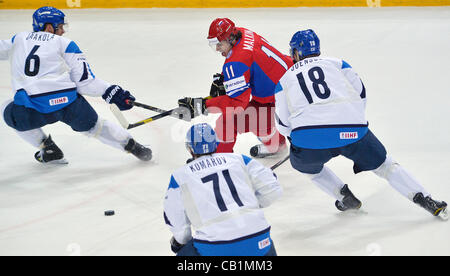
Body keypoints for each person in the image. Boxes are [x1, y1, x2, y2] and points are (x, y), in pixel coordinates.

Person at [274, 29, 448, 219]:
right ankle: (425, 198)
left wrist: (298, 139)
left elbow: (283, 124)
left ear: (296, 52)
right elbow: (361, 94)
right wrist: (352, 119)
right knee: (386, 166)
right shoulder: (339, 63)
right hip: (352, 131)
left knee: (309, 169)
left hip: (309, 139)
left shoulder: (284, 80)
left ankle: (344, 196)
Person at [0, 6, 152, 164]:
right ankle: (134, 147)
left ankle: (47, 148)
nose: (63, 31)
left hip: (31, 109)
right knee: (95, 126)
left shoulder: (18, 39)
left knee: (6, 108)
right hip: (68, 104)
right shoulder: (65, 43)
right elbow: (85, 83)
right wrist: (109, 90)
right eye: (60, 27)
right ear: (49, 27)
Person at [177, 18, 293, 158]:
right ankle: (276, 143)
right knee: (255, 109)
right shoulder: (243, 33)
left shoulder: (237, 62)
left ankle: (220, 162)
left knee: (227, 122)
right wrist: (225, 78)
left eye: (219, 44)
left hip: (283, 105)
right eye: (214, 44)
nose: (217, 48)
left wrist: (201, 105)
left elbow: (236, 104)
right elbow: (247, 61)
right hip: (293, 85)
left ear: (230, 39)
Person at [163, 123, 282, 256]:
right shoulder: (240, 159)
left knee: (182, 250)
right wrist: (252, 204)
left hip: (216, 247)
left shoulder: (180, 176)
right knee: (260, 246)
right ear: (216, 143)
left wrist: (179, 243)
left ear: (190, 149)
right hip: (259, 242)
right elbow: (273, 189)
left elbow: (177, 222)